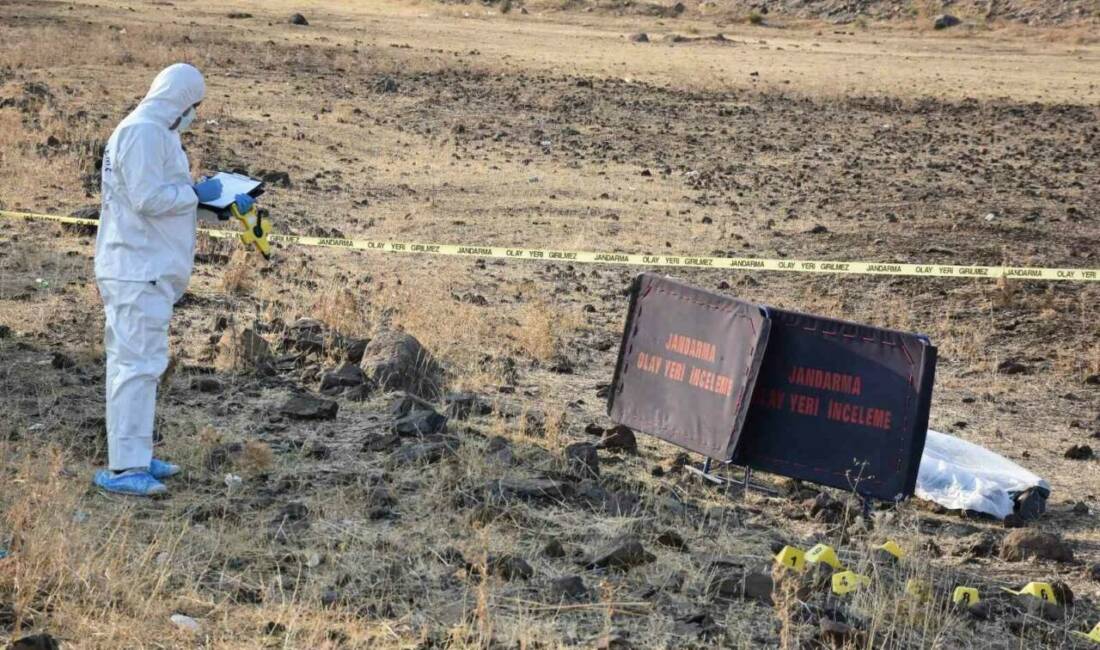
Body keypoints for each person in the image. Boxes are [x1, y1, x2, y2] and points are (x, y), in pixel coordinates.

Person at [93, 63, 254, 496]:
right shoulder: (141, 132)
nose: (194, 114)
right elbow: (147, 199)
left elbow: (172, 200)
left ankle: (135, 455)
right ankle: (126, 469)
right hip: (135, 268)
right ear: (179, 99)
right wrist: (194, 194)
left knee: (140, 366)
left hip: (148, 268)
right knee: (135, 366)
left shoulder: (161, 134)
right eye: (194, 105)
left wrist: (217, 205)